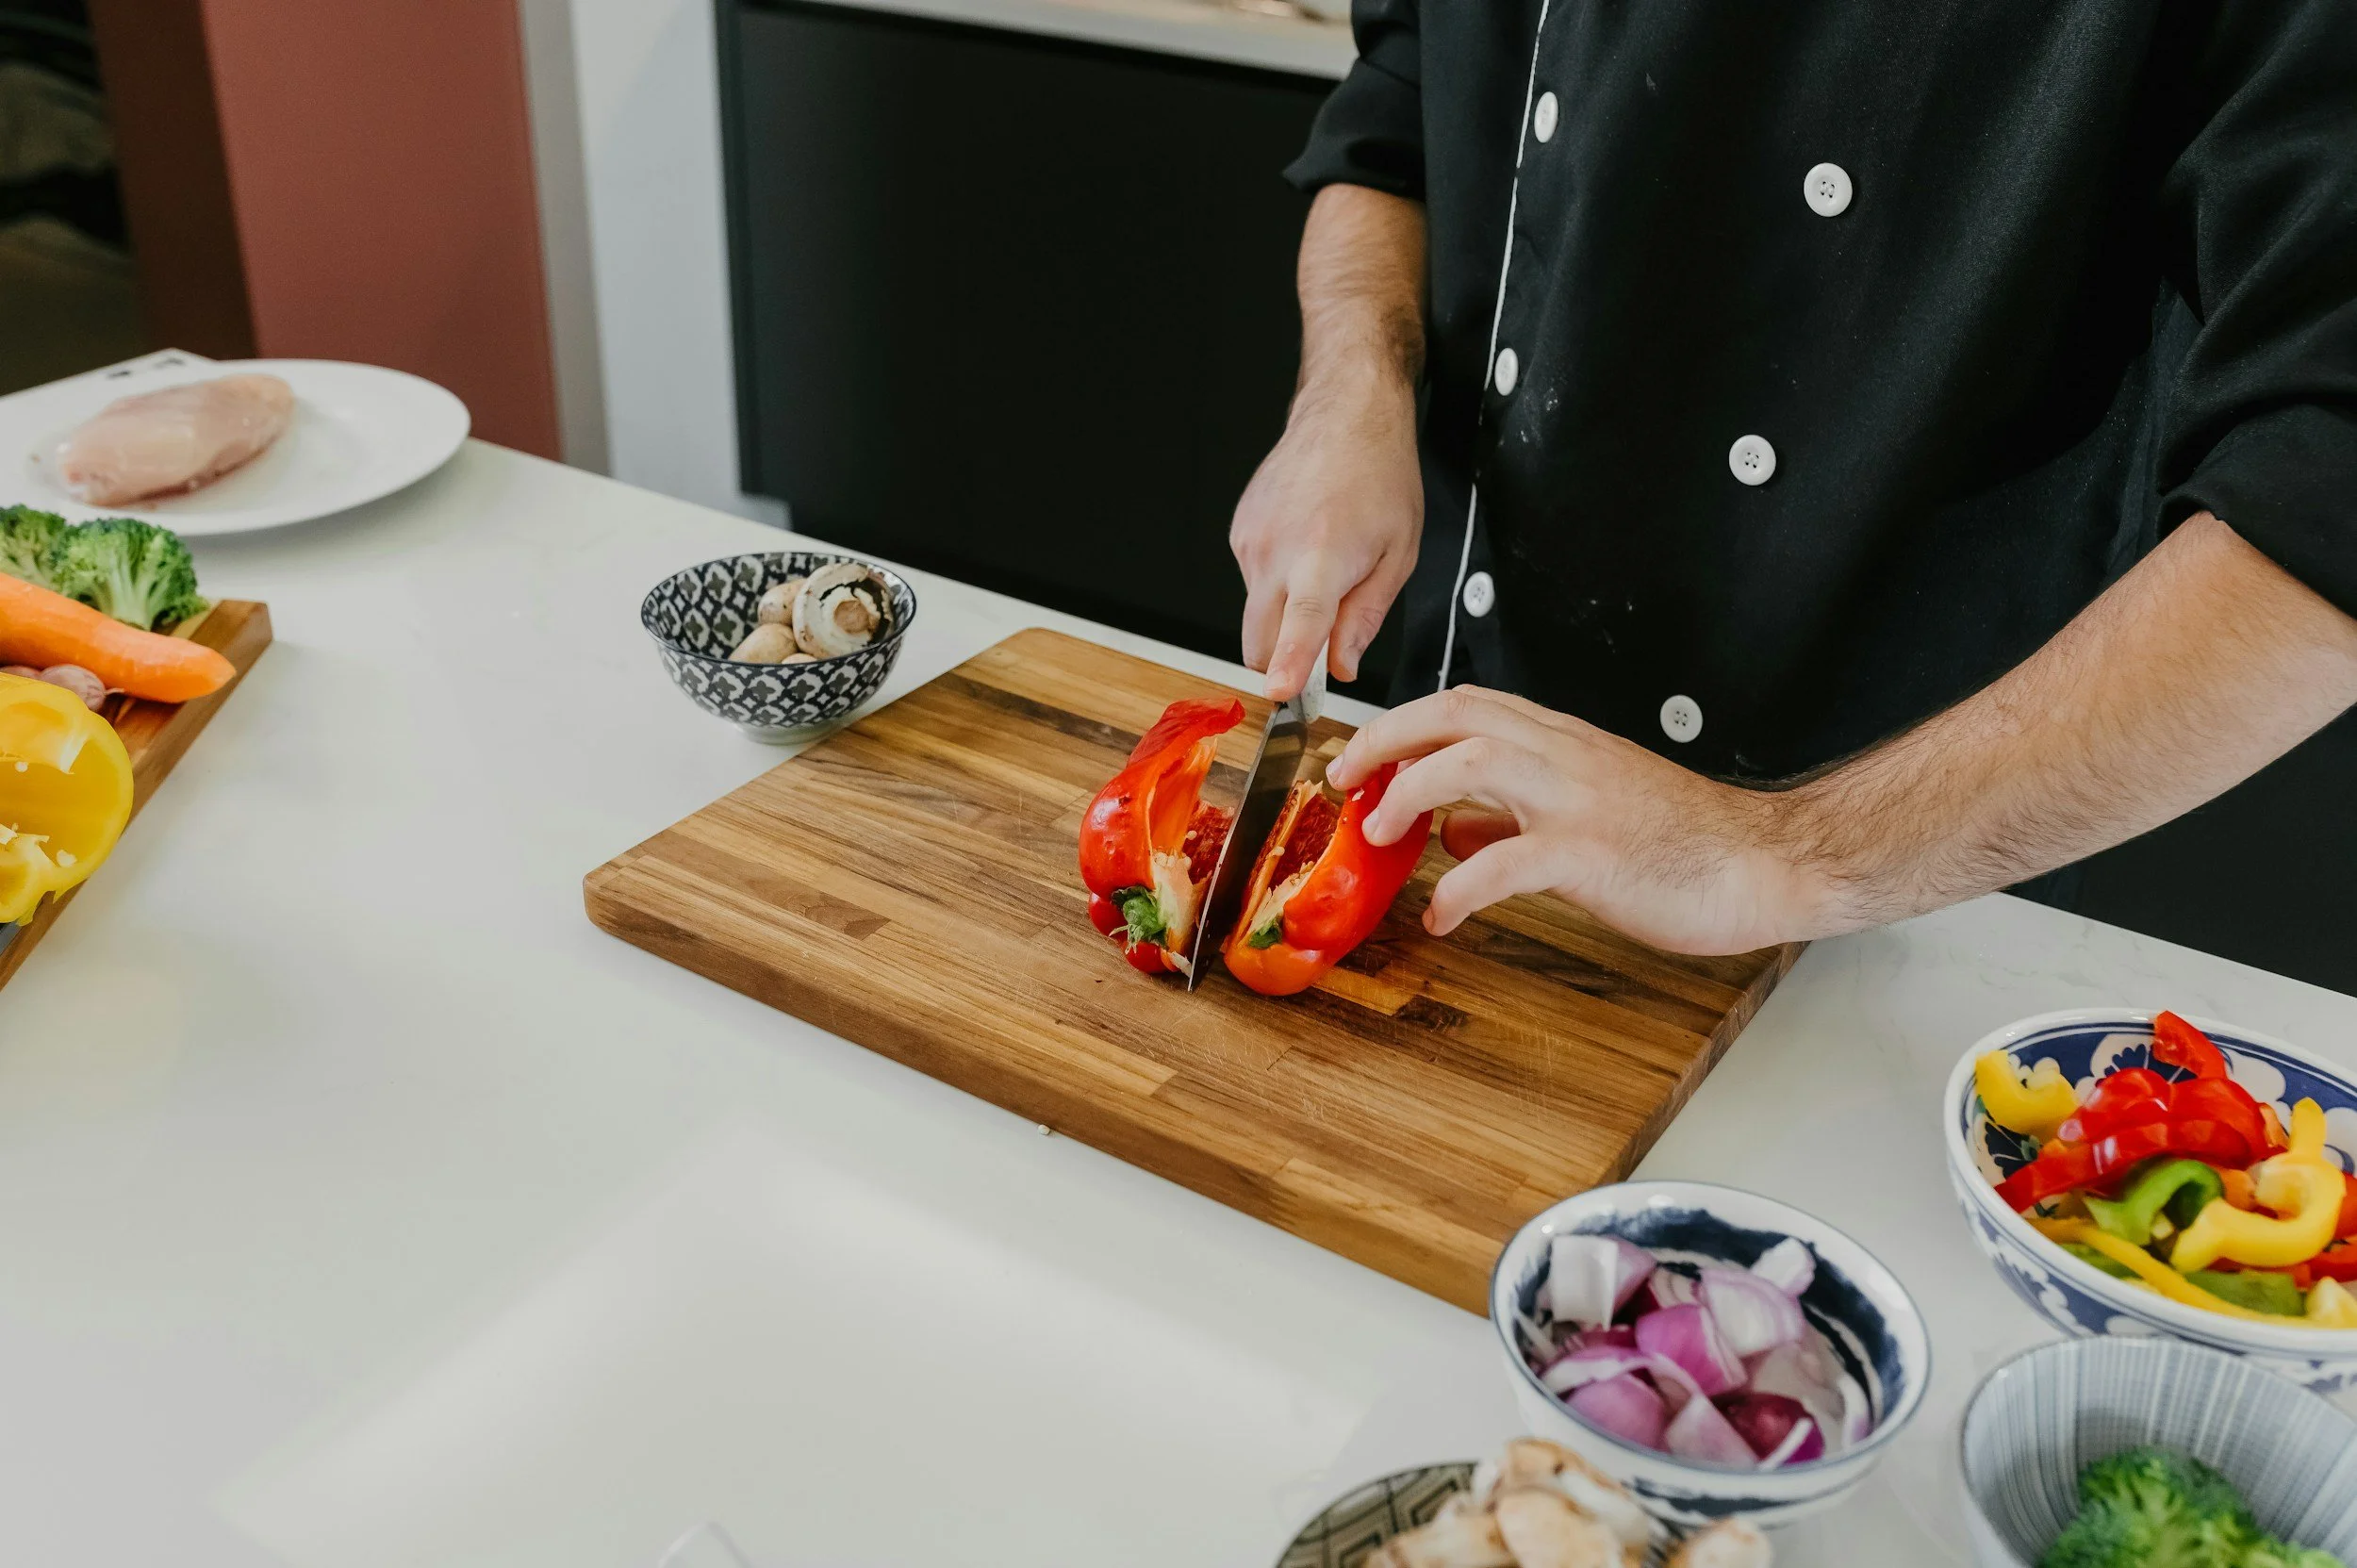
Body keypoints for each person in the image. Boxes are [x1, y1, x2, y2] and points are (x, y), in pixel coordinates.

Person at [1229, 2, 2357, 957]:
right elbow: (1402, 102)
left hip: (1881, 904)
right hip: (1427, 772)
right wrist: (1352, 389)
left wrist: (1799, 853)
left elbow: (2328, 464)